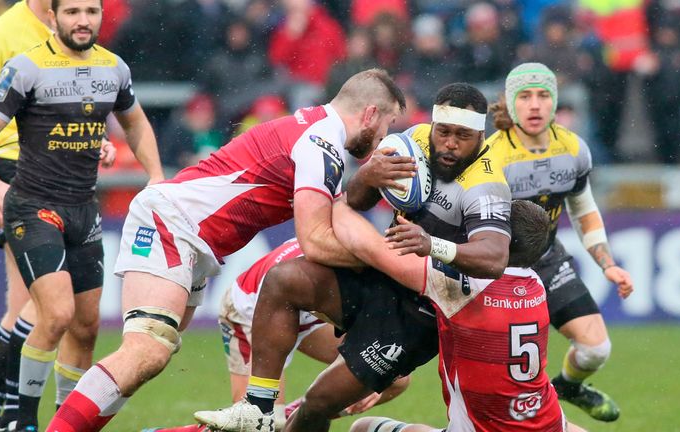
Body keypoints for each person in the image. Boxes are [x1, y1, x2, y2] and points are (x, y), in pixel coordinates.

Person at [44, 68, 406, 432]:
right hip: (174, 222)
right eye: (386, 125)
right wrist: (393, 261)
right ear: (370, 114)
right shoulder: (322, 143)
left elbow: (339, 221)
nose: (381, 137)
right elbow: (314, 240)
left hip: (195, 239)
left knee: (154, 352)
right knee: (148, 348)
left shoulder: (318, 133)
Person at [194, 83, 513, 432]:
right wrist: (368, 176)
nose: (450, 143)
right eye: (444, 131)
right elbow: (356, 200)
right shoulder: (416, 140)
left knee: (318, 404)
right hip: (380, 277)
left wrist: (432, 244)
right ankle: (257, 407)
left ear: (480, 136)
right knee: (284, 280)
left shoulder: (486, 183)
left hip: (417, 315)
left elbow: (494, 257)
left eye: (462, 136)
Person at [0, 0, 164, 431]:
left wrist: (156, 176)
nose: (82, 20)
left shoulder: (113, 68)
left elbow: (132, 122)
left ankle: (62, 422)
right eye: (72, 12)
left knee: (84, 328)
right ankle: (19, 418)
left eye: (91, 11)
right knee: (53, 313)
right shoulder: (21, 62)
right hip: (31, 203)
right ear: (54, 16)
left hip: (84, 208)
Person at [333, 200, 587, 432]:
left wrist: (337, 200)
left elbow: (368, 247)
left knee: (363, 428)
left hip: (479, 429)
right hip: (545, 419)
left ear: (502, 239)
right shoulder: (536, 285)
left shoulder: (463, 286)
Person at [487, 62, 634, 422]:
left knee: (596, 349)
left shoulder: (573, 148)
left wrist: (608, 263)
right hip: (495, 270)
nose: (534, 105)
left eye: (543, 96)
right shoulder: (491, 156)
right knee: (502, 369)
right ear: (510, 102)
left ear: (554, 102)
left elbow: (583, 208)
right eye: (524, 97)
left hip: (549, 258)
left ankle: (568, 387)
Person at [145, 238, 409, 432]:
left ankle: (304, 410)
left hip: (308, 314)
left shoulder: (359, 252)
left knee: (394, 377)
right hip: (249, 314)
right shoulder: (350, 259)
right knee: (260, 425)